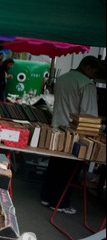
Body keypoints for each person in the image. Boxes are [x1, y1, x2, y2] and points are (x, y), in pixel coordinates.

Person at [41, 55, 105, 214]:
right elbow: (89, 115)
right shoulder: (86, 84)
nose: (94, 77)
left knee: (55, 165)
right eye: (95, 73)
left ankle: (46, 197)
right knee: (69, 170)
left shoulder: (63, 79)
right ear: (88, 68)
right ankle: (60, 203)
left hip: (57, 128)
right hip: (75, 133)